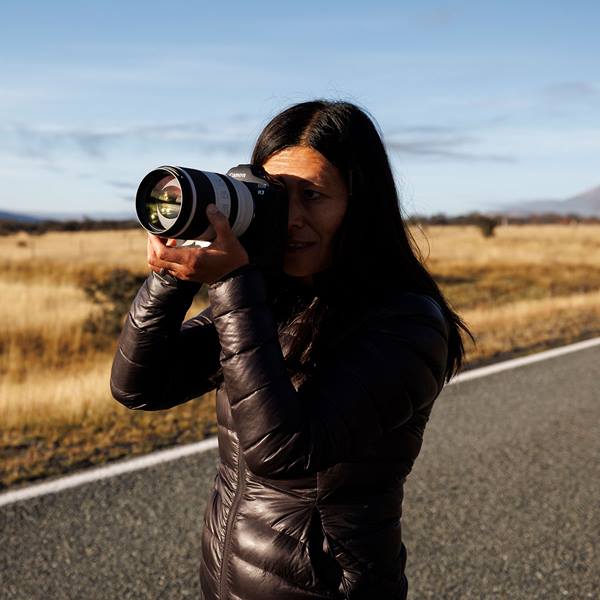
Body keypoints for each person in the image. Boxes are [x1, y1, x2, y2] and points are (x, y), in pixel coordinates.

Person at [110, 99, 474, 599]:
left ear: (360, 205)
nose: (292, 220)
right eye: (279, 196)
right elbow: (139, 386)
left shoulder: (407, 323)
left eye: (313, 195)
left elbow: (283, 453)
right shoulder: (268, 297)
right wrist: (171, 276)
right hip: (228, 577)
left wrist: (233, 282)